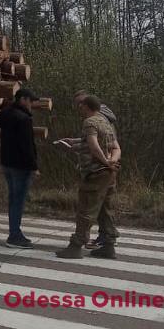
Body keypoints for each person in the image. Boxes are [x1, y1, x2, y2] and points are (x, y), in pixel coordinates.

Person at [56, 94, 121, 259]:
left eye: (80, 105)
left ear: (86, 106)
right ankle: (108, 245)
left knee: (86, 209)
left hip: (95, 172)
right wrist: (111, 162)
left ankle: (76, 246)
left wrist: (105, 162)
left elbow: (93, 145)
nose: (79, 108)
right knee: (106, 210)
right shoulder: (105, 122)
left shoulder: (89, 122)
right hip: (109, 174)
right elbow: (115, 147)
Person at [0, 88, 40, 249]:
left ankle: (14, 232)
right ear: (23, 99)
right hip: (21, 166)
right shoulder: (24, 119)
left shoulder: (7, 113)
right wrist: (34, 167)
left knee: (13, 200)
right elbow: (27, 147)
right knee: (18, 201)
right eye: (30, 101)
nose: (32, 104)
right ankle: (14, 236)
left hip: (7, 164)